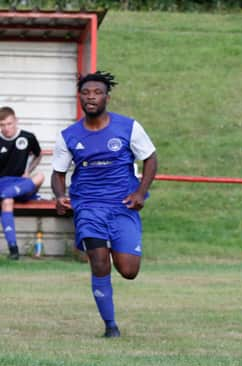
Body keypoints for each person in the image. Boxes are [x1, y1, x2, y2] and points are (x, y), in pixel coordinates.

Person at [51, 71, 158, 338]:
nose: (91, 97)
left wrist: (141, 193)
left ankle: (117, 247)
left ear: (107, 97)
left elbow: (151, 158)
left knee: (129, 271)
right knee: (99, 263)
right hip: (88, 206)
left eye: (97, 92)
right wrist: (60, 195)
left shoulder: (128, 127)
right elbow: (58, 173)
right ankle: (111, 327)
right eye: (86, 93)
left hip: (122, 205)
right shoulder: (68, 135)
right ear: (80, 98)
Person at [0, 106, 45, 260]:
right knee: (6, 201)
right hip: (3, 183)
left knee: (40, 176)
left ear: (16, 121)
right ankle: (14, 250)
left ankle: (5, 194)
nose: (6, 128)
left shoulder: (28, 137)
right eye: (2, 125)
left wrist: (29, 170)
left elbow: (38, 155)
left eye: (9, 123)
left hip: (22, 184)